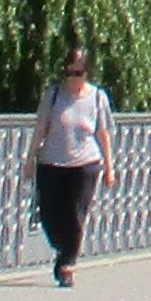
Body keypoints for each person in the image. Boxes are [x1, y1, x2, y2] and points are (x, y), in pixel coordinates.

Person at [30, 43, 114, 283]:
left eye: (77, 73)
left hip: (85, 165)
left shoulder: (97, 97)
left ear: (87, 73)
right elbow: (40, 129)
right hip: (51, 164)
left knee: (76, 214)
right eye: (68, 73)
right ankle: (63, 249)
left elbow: (103, 134)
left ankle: (68, 263)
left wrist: (110, 168)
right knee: (48, 214)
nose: (72, 78)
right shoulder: (54, 95)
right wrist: (29, 160)